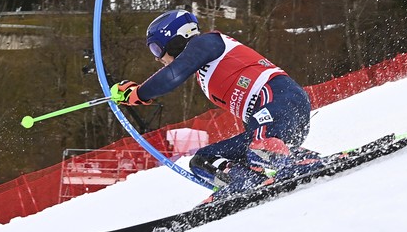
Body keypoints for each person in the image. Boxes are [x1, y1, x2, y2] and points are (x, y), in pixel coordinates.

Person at [110, 10, 318, 194]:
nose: (157, 58)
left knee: (259, 148)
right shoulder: (204, 73)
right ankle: (246, 182)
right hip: (270, 123)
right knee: (203, 160)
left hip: (279, 97)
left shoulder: (207, 42)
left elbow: (172, 76)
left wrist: (139, 93)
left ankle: (295, 161)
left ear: (175, 39)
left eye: (156, 49)